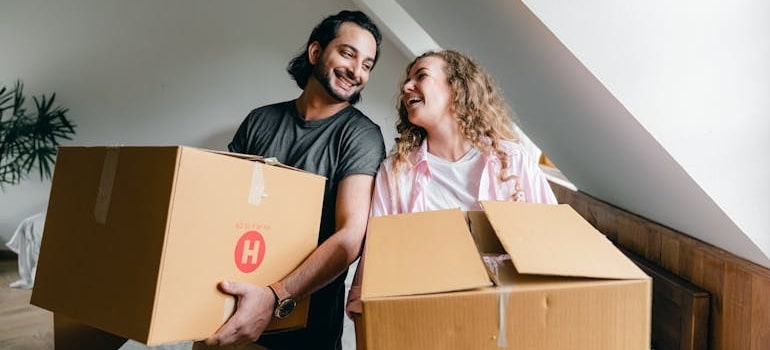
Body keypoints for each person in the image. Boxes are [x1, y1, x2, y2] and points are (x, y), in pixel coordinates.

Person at [203, 10, 386, 350]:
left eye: (367, 64)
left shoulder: (360, 136)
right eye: (348, 53)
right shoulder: (260, 121)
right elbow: (222, 210)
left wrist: (275, 297)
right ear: (316, 52)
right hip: (227, 312)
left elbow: (350, 237)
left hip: (304, 331)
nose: (356, 71)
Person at [345, 49, 558, 336]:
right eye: (407, 81)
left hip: (511, 326)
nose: (406, 87)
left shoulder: (513, 160)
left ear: (456, 88)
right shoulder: (396, 174)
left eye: (421, 76)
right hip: (427, 328)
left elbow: (556, 247)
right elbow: (373, 273)